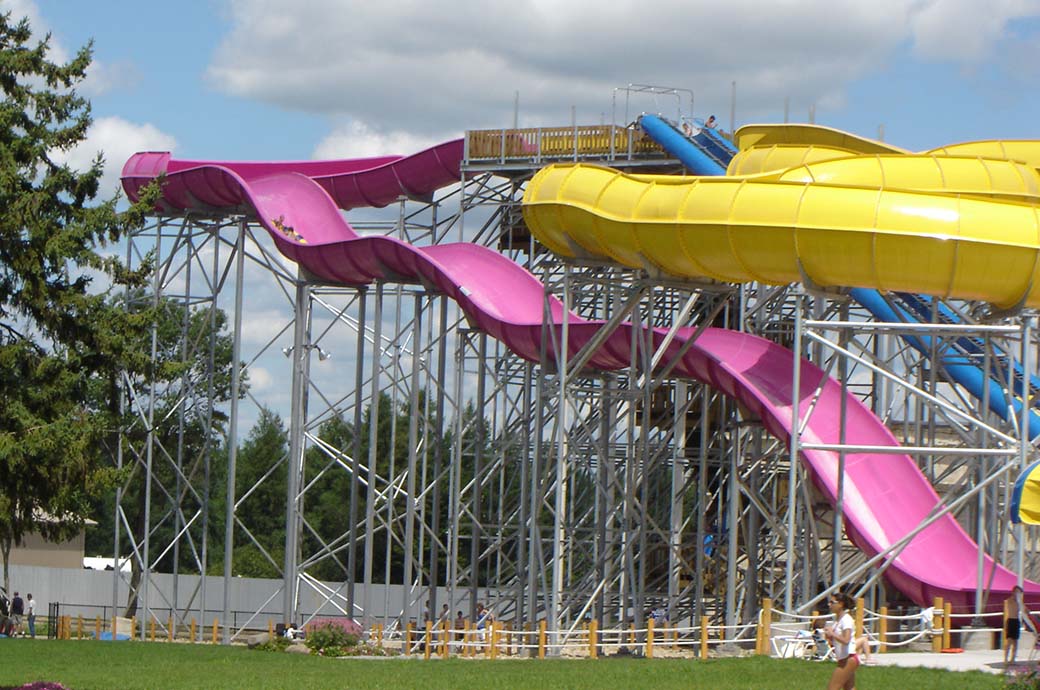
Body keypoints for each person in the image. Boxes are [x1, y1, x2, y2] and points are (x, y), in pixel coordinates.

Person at [823, 592, 859, 690]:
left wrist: (832, 633)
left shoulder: (846, 620)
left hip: (848, 659)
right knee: (849, 688)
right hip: (844, 658)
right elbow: (838, 639)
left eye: (832, 602)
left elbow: (846, 640)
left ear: (841, 604)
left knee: (832, 688)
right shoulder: (838, 620)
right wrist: (830, 636)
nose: (829, 605)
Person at [1006, 585, 1025, 666]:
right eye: (1017, 592)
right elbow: (1010, 604)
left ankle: (1013, 660)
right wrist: (1016, 598)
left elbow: (1024, 609)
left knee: (1015, 642)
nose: (1018, 593)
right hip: (1011, 620)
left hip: (1016, 621)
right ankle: (1005, 659)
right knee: (1009, 641)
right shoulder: (1010, 600)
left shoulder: (1019, 602)